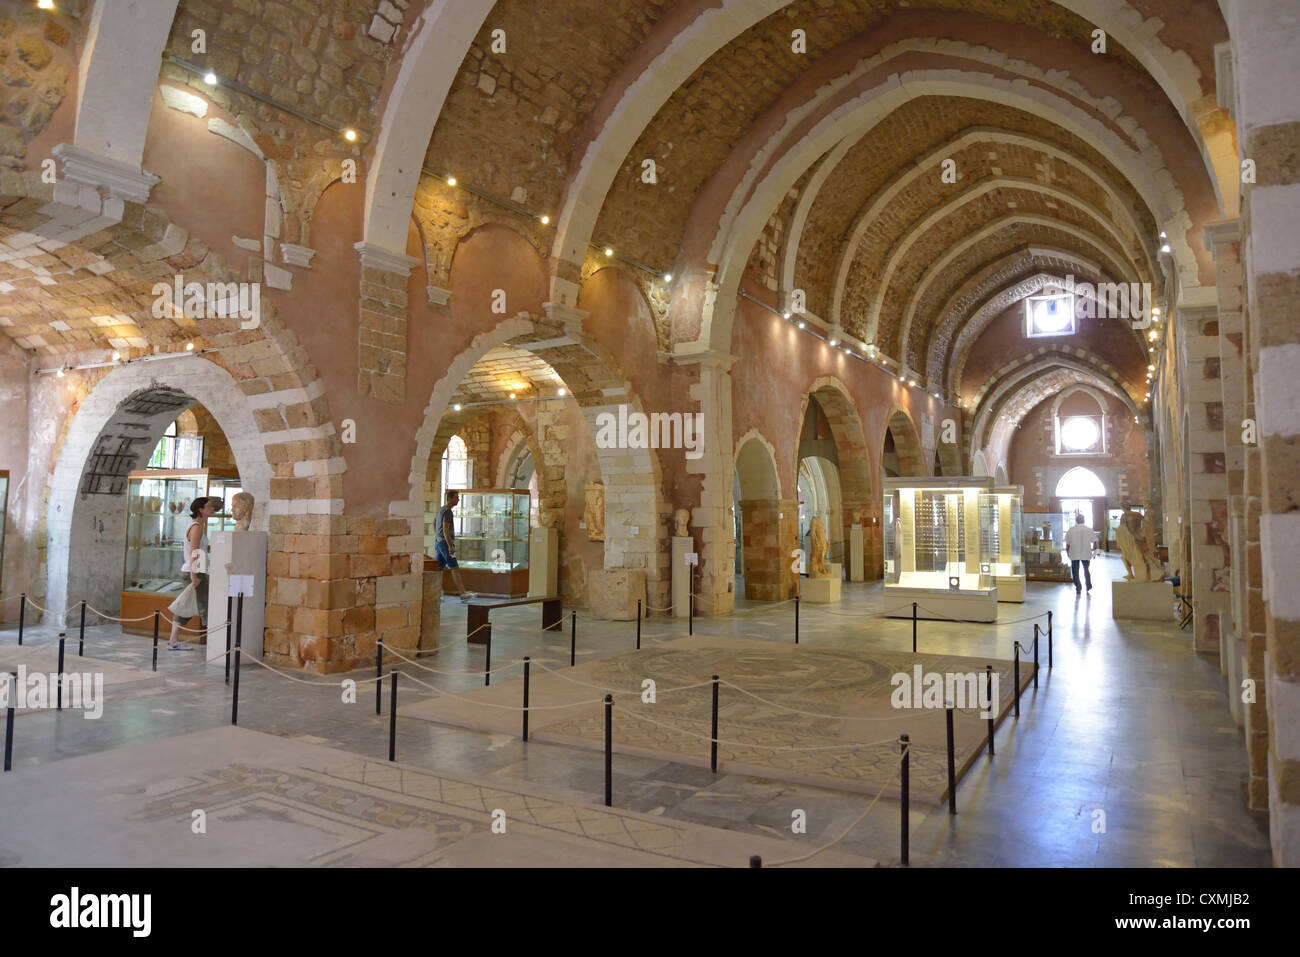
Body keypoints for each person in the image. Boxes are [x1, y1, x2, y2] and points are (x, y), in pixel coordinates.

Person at [168, 496, 216, 649]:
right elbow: (194, 551)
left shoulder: (197, 526)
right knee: (200, 605)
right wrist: (194, 574)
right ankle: (215, 641)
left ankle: (174, 640)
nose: (212, 508)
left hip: (198, 569)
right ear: (200, 509)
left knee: (194, 605)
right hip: (194, 571)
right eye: (209, 506)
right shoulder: (196, 527)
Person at [436, 489, 476, 602]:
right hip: (444, 543)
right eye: (456, 497)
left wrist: (438, 538)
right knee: (454, 567)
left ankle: (437, 593)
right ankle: (463, 593)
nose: (458, 499)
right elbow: (445, 528)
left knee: (439, 568)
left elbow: (435, 523)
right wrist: (450, 545)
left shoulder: (441, 510)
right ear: (450, 498)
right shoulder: (448, 511)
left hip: (439, 542)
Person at [1064, 511, 1095, 595]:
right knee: (1086, 569)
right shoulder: (1089, 530)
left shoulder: (1071, 530)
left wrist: (1067, 552)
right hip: (1086, 552)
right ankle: (1088, 585)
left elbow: (1067, 543)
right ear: (1084, 520)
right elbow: (1094, 541)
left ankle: (1078, 587)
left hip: (1074, 553)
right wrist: (1095, 552)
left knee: (1075, 570)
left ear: (1076, 521)